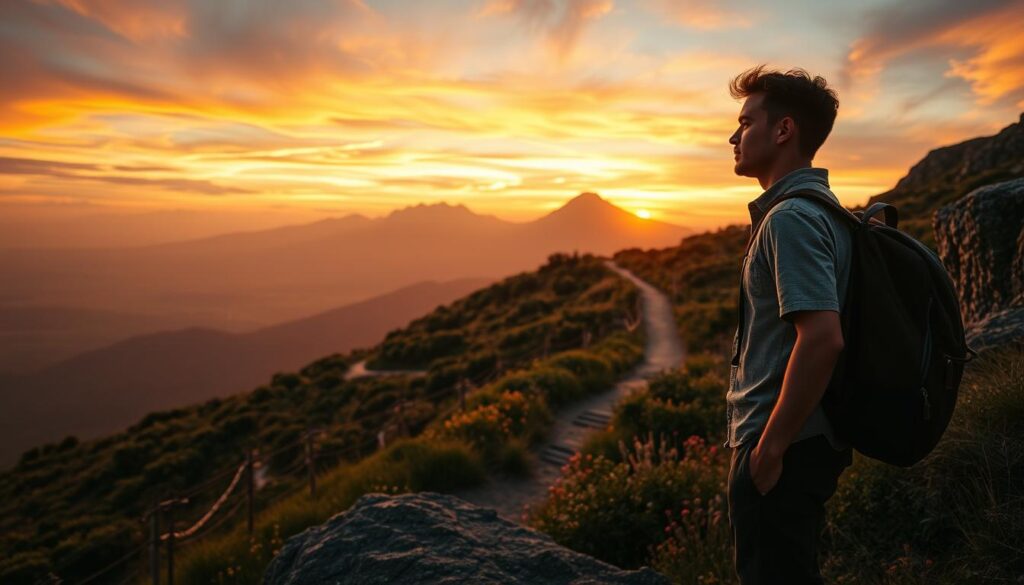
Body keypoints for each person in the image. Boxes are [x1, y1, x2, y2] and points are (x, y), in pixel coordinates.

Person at [724, 64, 854, 584]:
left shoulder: (792, 219)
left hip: (784, 445)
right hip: (803, 441)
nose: (733, 135)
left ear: (784, 130)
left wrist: (769, 450)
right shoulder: (824, 211)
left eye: (746, 121)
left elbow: (822, 337)